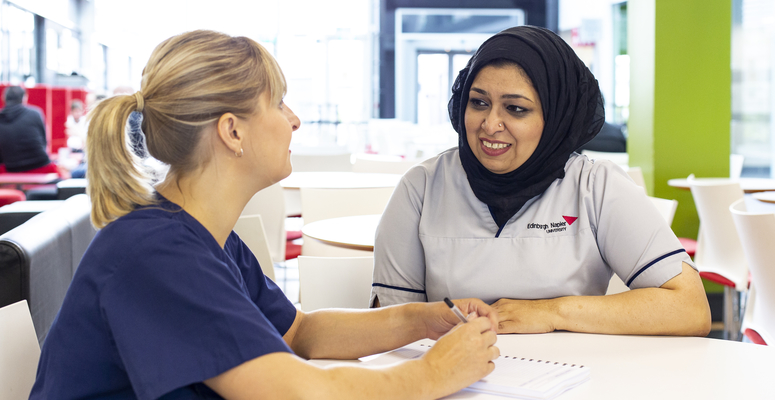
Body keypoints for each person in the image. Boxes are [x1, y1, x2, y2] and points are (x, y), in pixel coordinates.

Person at [30, 30, 499, 399]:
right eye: (277, 103)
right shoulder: (157, 252)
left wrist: (423, 320)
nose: (294, 119)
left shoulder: (202, 237)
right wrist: (432, 374)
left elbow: (301, 332)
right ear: (232, 132)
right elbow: (294, 391)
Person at [370, 26, 711, 337]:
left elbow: (690, 308)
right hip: (453, 374)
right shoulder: (422, 188)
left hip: (576, 373)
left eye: (516, 109)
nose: (490, 124)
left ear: (556, 117)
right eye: (479, 103)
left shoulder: (595, 187)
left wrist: (550, 312)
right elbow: (389, 326)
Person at [0, 86, 61, 175]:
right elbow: (45, 142)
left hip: (10, 170)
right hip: (40, 167)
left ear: (4, 98)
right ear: (24, 98)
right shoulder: (35, 113)